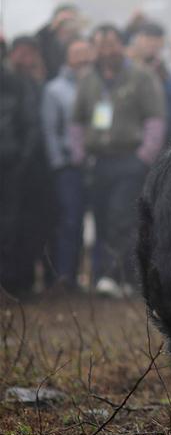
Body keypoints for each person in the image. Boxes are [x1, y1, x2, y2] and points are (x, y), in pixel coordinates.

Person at [71, 24, 166, 297]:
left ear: (121, 46)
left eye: (111, 44)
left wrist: (144, 155)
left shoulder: (141, 76)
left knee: (121, 217)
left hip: (129, 160)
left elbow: (155, 118)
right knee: (101, 218)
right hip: (99, 161)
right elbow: (77, 121)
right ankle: (114, 277)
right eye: (100, 45)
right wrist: (79, 153)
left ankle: (115, 276)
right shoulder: (88, 79)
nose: (106, 51)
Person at [40, 37, 95, 290]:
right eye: (77, 54)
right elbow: (50, 130)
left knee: (99, 222)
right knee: (69, 222)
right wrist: (58, 164)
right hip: (67, 167)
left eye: (86, 53)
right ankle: (64, 277)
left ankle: (98, 277)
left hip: (97, 163)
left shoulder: (100, 86)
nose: (83, 59)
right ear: (67, 58)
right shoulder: (55, 89)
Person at [0, 32, 50, 296]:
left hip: (12, 165)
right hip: (13, 162)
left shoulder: (20, 84)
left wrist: (22, 160)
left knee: (12, 224)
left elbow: (31, 126)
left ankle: (12, 283)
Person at [34, 4, 81, 80]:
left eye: (71, 21)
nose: (67, 25)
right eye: (64, 21)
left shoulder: (80, 41)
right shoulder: (44, 40)